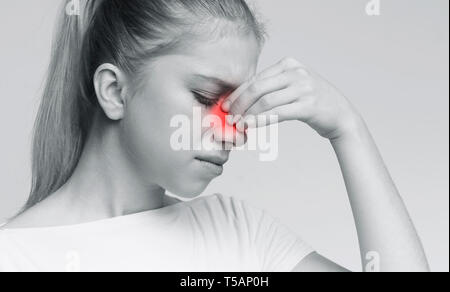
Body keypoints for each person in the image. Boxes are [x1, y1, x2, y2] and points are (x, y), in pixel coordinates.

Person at [0, 0, 429, 272]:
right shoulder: (16, 257)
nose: (234, 131)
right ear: (114, 91)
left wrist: (347, 129)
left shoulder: (237, 231)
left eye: (237, 105)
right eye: (206, 97)